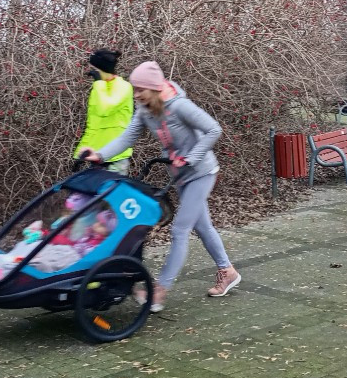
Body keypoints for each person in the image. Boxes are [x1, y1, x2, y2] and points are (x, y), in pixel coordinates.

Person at [75, 60, 240, 313]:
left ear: (154, 88)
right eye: (134, 88)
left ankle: (160, 290)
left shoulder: (180, 106)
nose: (136, 94)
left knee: (180, 230)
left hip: (201, 172)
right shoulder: (144, 111)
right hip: (180, 175)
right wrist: (100, 155)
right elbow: (127, 137)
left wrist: (192, 157)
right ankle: (227, 271)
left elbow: (213, 130)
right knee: (202, 225)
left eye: (140, 89)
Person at [71, 49, 134, 175]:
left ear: (102, 69)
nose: (92, 71)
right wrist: (80, 153)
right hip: (97, 157)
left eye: (94, 68)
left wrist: (99, 83)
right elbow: (94, 126)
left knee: (108, 195)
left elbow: (105, 109)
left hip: (116, 159)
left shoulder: (123, 87)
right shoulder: (101, 88)